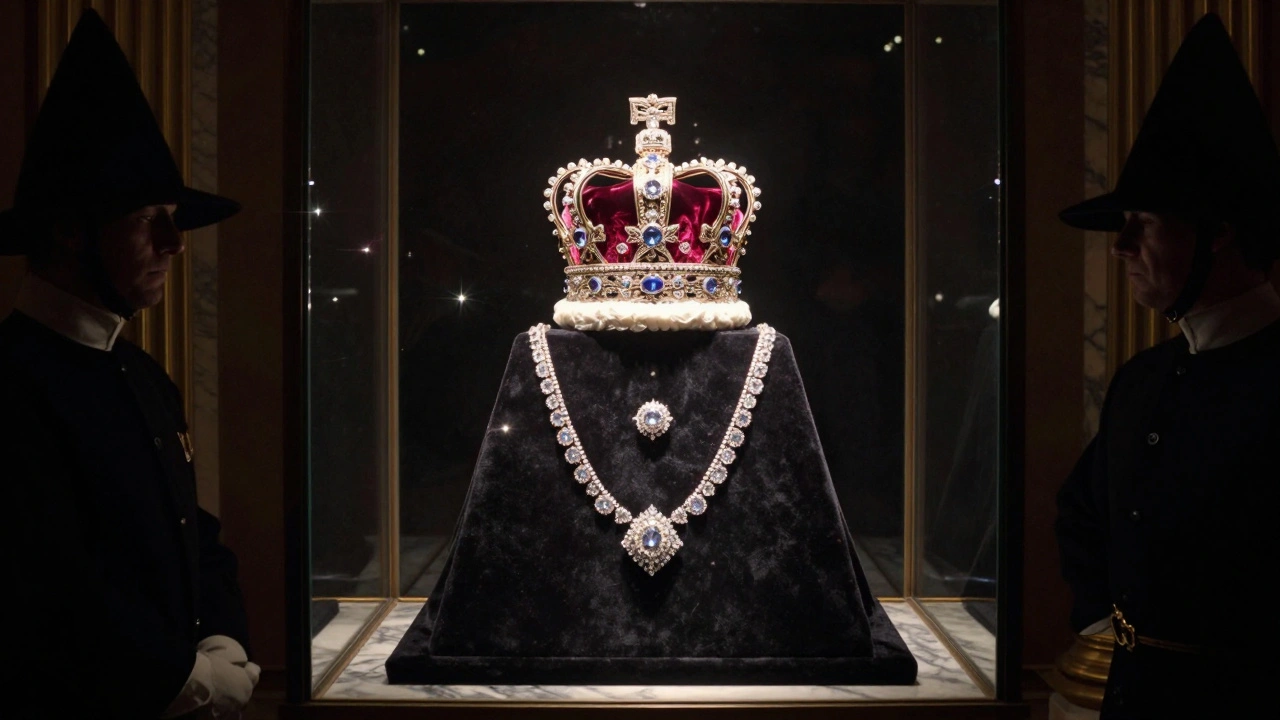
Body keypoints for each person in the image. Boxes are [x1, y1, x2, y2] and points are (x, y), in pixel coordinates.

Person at [0, 10, 257, 719]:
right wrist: (184, 681)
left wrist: (225, 643)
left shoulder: (143, 376)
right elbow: (44, 585)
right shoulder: (12, 385)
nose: (175, 242)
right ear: (68, 232)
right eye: (151, 218)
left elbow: (193, 536)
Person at [1055, 13, 1280, 719]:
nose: (1120, 247)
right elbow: (1082, 514)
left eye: (1143, 224)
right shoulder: (1144, 376)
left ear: (1219, 233)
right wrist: (1104, 627)